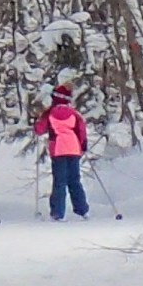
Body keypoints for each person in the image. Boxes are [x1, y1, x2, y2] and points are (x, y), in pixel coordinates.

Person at [35, 84, 88, 221]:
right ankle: (82, 210)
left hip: (58, 149)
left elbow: (39, 130)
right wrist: (83, 146)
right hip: (74, 148)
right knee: (75, 180)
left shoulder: (49, 113)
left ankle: (58, 212)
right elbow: (81, 131)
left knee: (59, 181)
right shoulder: (74, 114)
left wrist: (36, 123)